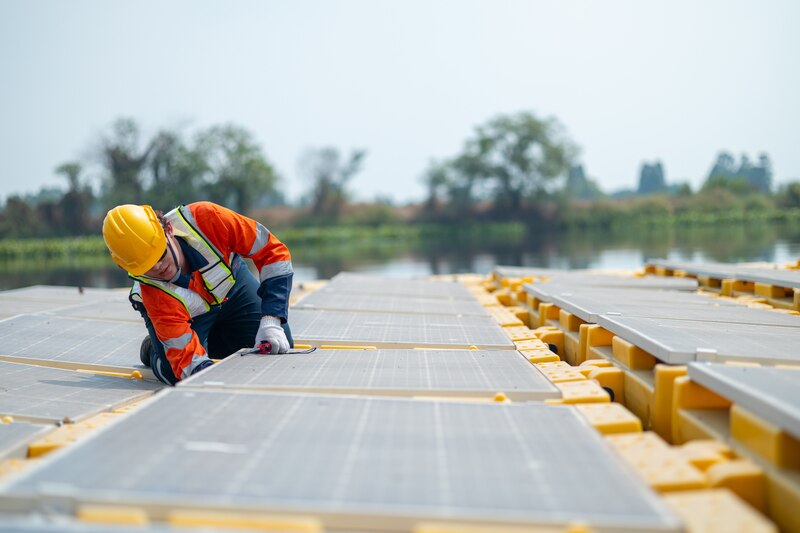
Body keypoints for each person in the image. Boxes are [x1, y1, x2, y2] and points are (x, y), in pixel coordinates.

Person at [102, 201, 293, 385]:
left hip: (233, 289)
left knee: (279, 344)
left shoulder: (208, 218)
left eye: (160, 254)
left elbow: (272, 251)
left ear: (168, 230)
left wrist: (271, 319)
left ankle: (208, 341)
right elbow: (188, 361)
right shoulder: (154, 292)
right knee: (177, 374)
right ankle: (155, 350)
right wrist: (205, 373)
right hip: (189, 318)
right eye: (147, 266)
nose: (158, 267)